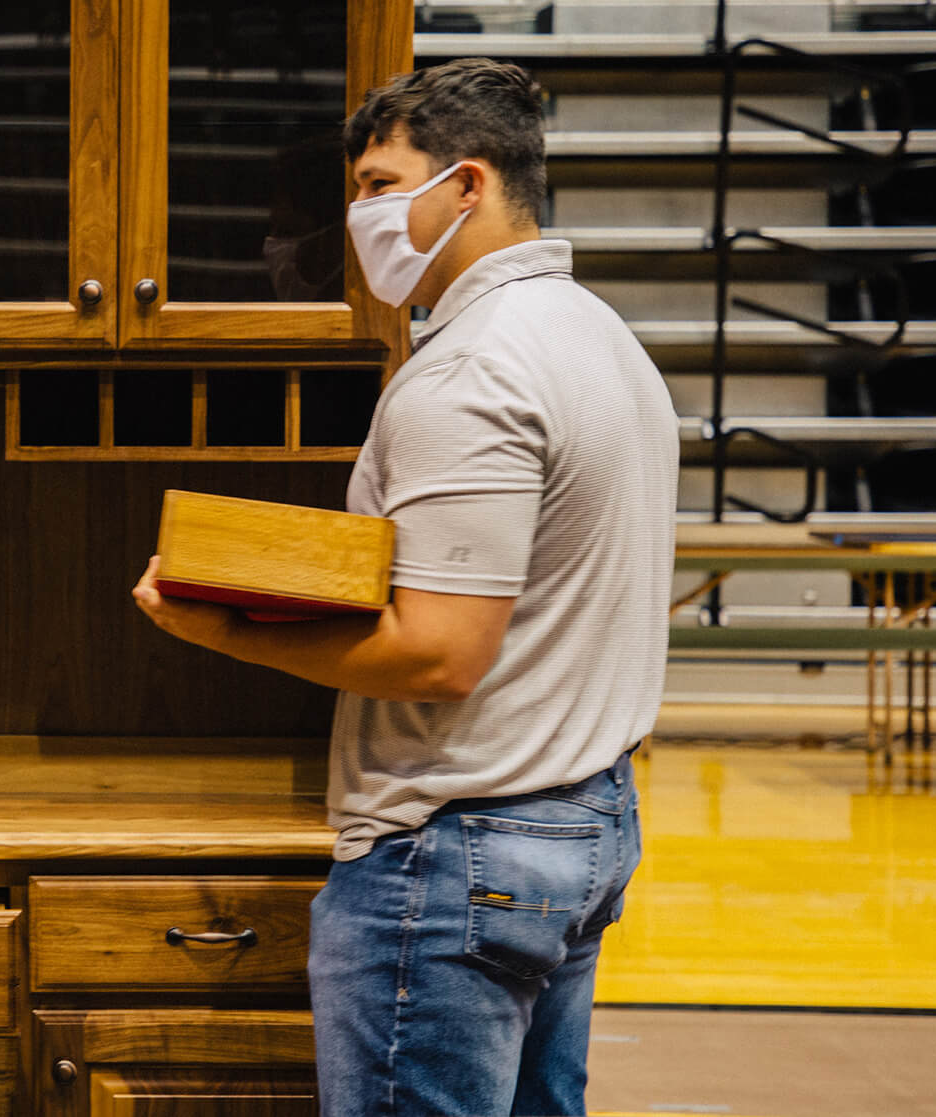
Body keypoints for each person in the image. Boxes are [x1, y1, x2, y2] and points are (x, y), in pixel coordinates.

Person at [133, 58, 678, 1117]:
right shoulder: (600, 340)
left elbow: (440, 652)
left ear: (465, 185)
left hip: (458, 844)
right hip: (579, 813)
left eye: (380, 184)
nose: (359, 214)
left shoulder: (474, 367)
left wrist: (216, 623)